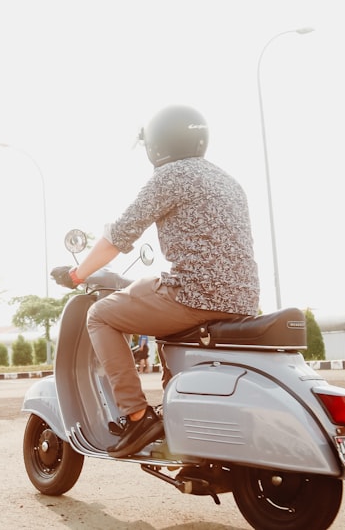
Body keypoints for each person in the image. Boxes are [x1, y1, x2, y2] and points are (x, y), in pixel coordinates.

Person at [51, 104, 260, 459]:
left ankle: (136, 416)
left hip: (195, 294)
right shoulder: (228, 180)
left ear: (158, 144)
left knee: (101, 315)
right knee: (157, 305)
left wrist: (76, 275)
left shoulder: (171, 176)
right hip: (243, 300)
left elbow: (120, 235)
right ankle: (178, 415)